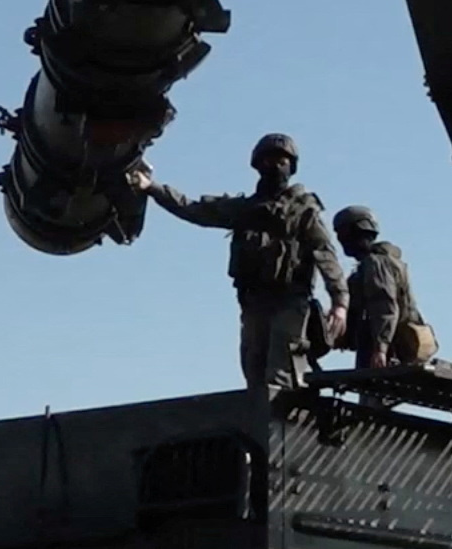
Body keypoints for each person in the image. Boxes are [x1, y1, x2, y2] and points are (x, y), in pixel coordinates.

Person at [128, 133, 347, 394]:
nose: (276, 165)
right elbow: (194, 209)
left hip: (290, 301)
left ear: (292, 166)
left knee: (282, 373)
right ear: (258, 165)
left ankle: (284, 427)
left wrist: (340, 301)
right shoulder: (244, 209)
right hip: (253, 302)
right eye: (269, 159)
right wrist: (151, 188)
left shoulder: (303, 211)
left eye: (282, 160)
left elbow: (325, 253)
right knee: (254, 370)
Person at [334, 205, 436, 369]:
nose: (341, 239)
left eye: (343, 233)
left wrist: (380, 349)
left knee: (373, 390)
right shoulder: (375, 264)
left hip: (389, 348)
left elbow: (384, 306)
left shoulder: (375, 264)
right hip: (386, 345)